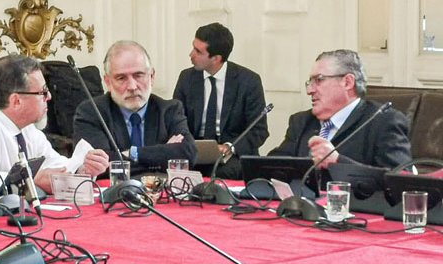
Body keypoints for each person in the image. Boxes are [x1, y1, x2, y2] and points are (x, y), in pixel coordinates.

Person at [0, 54, 109, 198]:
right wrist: (27, 179)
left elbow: (54, 165)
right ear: (16, 100)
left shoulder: (26, 129)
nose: (49, 98)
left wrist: (82, 168)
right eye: (43, 92)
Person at [269, 49, 411, 170]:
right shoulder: (302, 122)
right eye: (310, 82)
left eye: (319, 80)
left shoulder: (383, 122)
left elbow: (397, 181)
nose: (310, 90)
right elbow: (273, 165)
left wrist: (338, 162)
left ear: (347, 82)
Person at [73, 40, 196, 177]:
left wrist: (131, 153)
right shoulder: (91, 112)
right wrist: (162, 153)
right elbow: (101, 167)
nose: (132, 86)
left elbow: (187, 155)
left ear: (152, 76)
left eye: (138, 75)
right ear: (108, 82)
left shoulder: (170, 110)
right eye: (121, 78)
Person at [173, 22, 269, 179]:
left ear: (216, 58)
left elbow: (258, 130)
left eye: (198, 51)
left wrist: (229, 147)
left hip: (230, 155)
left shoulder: (248, 81)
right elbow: (175, 119)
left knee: (222, 174)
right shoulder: (186, 78)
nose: (191, 54)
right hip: (194, 150)